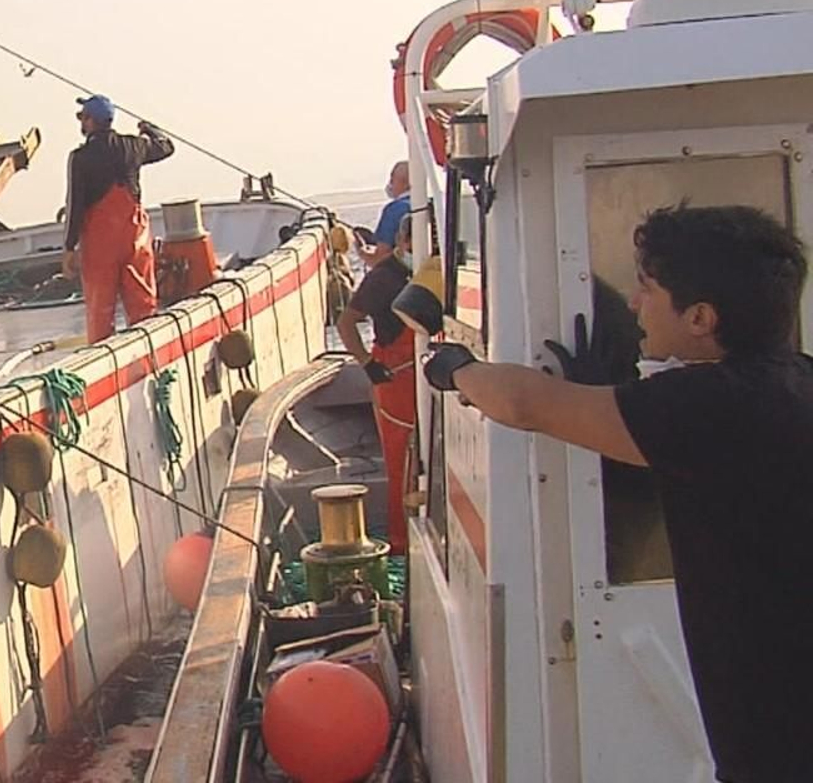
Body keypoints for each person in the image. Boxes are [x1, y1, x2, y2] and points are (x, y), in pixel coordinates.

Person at [423, 204, 813, 783]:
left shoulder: (707, 405)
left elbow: (526, 404)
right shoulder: (795, 381)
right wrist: (606, 394)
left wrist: (454, 368)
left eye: (648, 288)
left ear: (701, 316)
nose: (634, 304)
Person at [61, 94, 175, 343]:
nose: (81, 122)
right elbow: (166, 146)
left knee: (100, 313)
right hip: (134, 239)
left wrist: (69, 248)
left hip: (100, 246)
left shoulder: (79, 158)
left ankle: (104, 363)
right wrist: (150, 129)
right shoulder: (133, 146)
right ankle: (151, 358)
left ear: (90, 121)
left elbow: (75, 206)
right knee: (144, 307)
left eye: (82, 117)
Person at [335, 215, 414, 553]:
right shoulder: (383, 278)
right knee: (401, 463)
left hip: (423, 376)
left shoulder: (431, 273)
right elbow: (346, 322)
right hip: (394, 377)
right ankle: (401, 542)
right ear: (402, 241)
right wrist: (368, 364)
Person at [358, 161, 411, 265]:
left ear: (405, 183)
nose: (390, 184)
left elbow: (380, 260)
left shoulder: (394, 210)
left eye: (392, 179)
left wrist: (361, 252)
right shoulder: (431, 204)